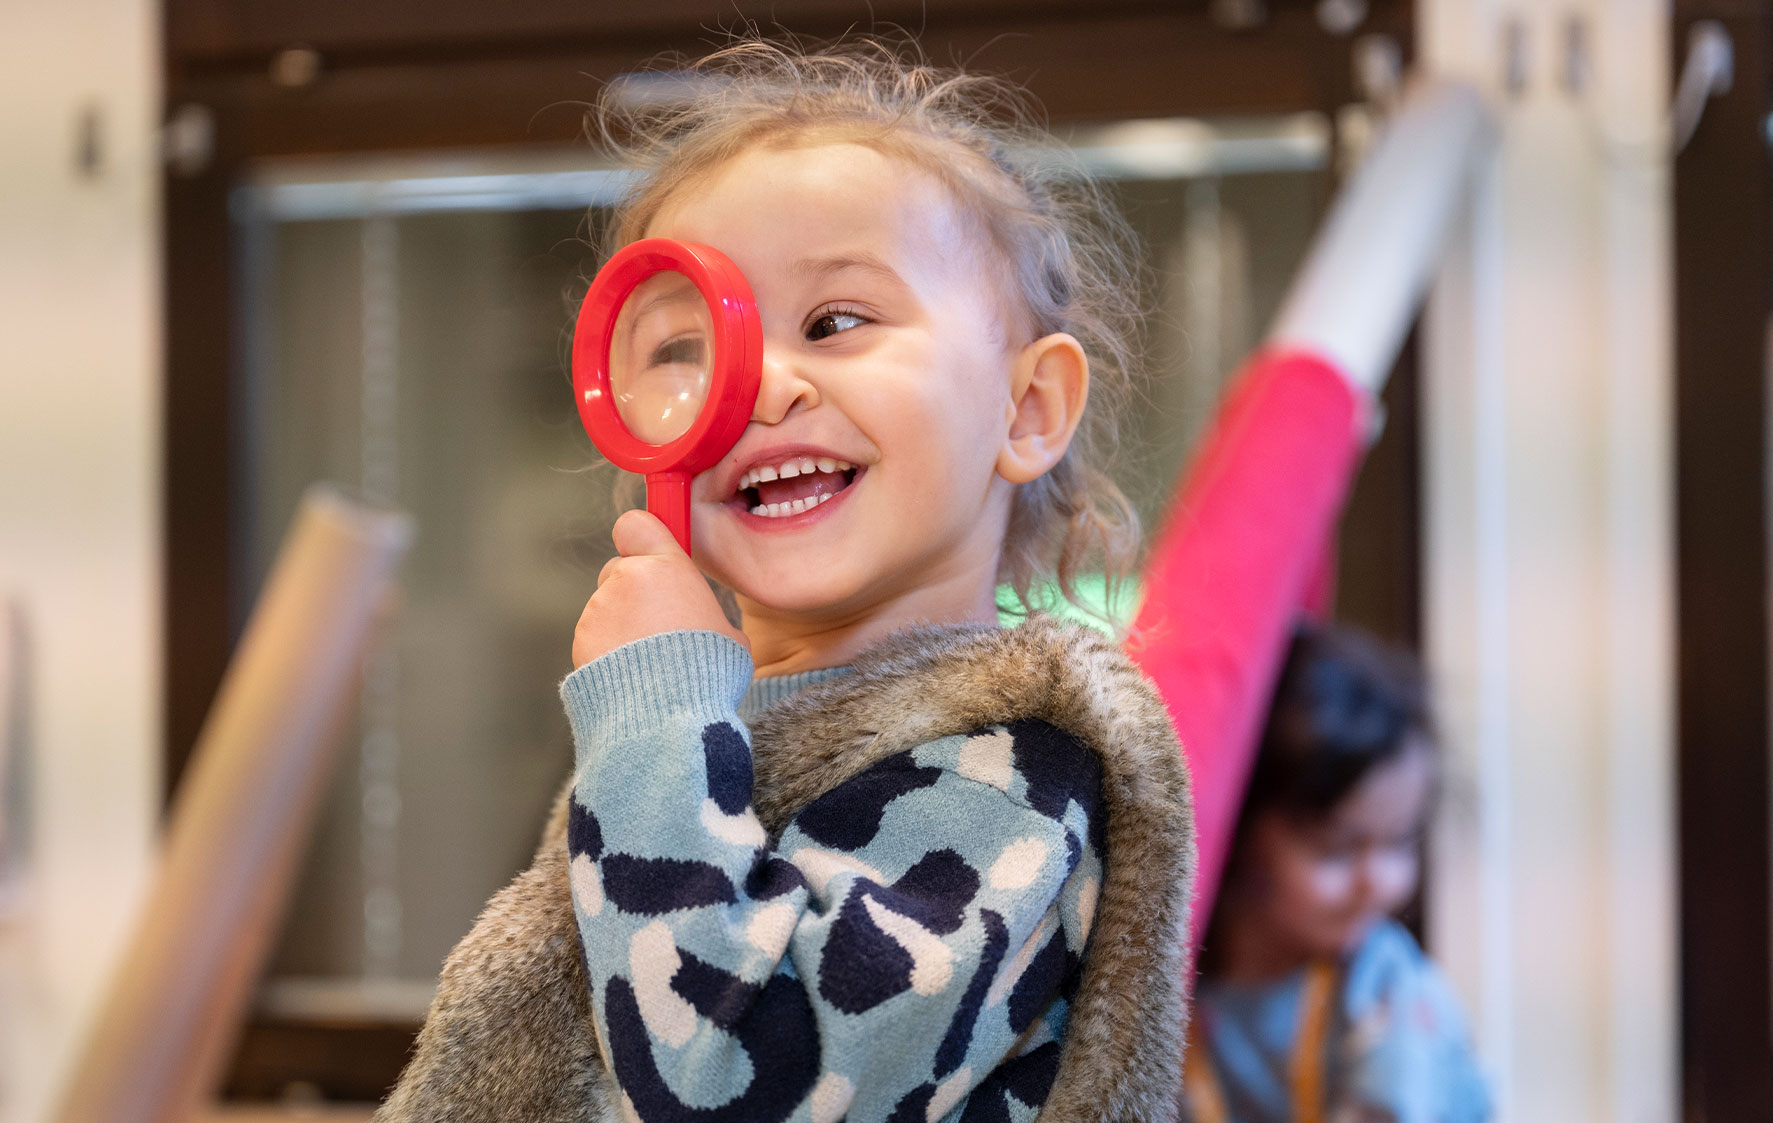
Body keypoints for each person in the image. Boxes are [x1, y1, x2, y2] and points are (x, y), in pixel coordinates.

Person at [377, 40, 1195, 1123]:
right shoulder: (716, 740)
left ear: (1027, 407)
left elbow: (729, 1084)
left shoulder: (1007, 786)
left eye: (835, 322)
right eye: (687, 347)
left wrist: (659, 712)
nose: (758, 387)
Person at [1185, 622, 1491, 1123]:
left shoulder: (1386, 991)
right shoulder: (1178, 987)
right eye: (1337, 849)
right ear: (1237, 829)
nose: (1380, 881)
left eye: (1400, 843)